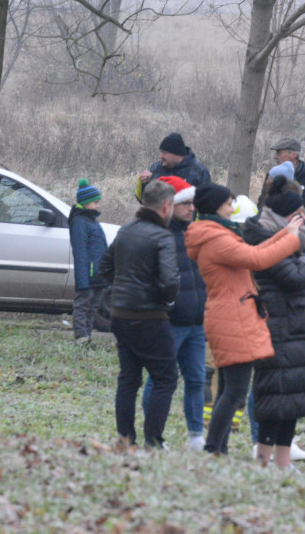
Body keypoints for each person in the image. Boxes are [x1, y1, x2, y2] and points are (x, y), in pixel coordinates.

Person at [184, 182, 303, 456]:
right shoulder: (216, 239)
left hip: (231, 315)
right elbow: (256, 258)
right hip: (231, 318)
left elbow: (253, 252)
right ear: (215, 206)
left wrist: (285, 232)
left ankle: (219, 446)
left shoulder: (215, 233)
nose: (232, 207)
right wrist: (292, 239)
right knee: (235, 392)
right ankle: (214, 447)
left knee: (228, 388)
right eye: (228, 203)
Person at [242, 176, 305, 469]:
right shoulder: (265, 239)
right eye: (299, 214)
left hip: (293, 325)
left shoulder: (288, 239)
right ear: (286, 217)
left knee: (292, 398)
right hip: (275, 326)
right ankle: (263, 460)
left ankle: (283, 463)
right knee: (274, 397)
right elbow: (295, 278)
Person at [99, 179, 180, 448]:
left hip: (119, 314)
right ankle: (153, 441)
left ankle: (125, 438)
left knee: (129, 378)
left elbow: (104, 267)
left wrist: (121, 288)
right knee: (165, 377)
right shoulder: (163, 236)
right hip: (150, 318)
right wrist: (164, 301)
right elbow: (169, 282)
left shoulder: (126, 230)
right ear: (167, 206)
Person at [140, 175, 207, 451]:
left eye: (193, 204)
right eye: (186, 204)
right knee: (159, 379)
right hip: (169, 322)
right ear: (171, 205)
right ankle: (153, 434)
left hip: (196, 322)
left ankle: (196, 437)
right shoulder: (158, 235)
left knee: (197, 379)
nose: (192, 209)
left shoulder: (196, 232)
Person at [69, 178, 108, 345]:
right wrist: (83, 279)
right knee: (83, 305)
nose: (98, 205)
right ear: (85, 203)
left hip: (98, 275)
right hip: (88, 274)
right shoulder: (79, 222)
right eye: (95, 202)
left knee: (93, 307)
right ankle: (81, 336)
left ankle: (88, 336)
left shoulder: (92, 221)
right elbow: (80, 252)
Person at [135, 132, 211, 201]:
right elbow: (146, 202)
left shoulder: (199, 173)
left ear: (176, 154)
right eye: (161, 152)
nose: (160, 156)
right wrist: (144, 183)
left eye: (164, 153)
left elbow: (205, 203)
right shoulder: (156, 168)